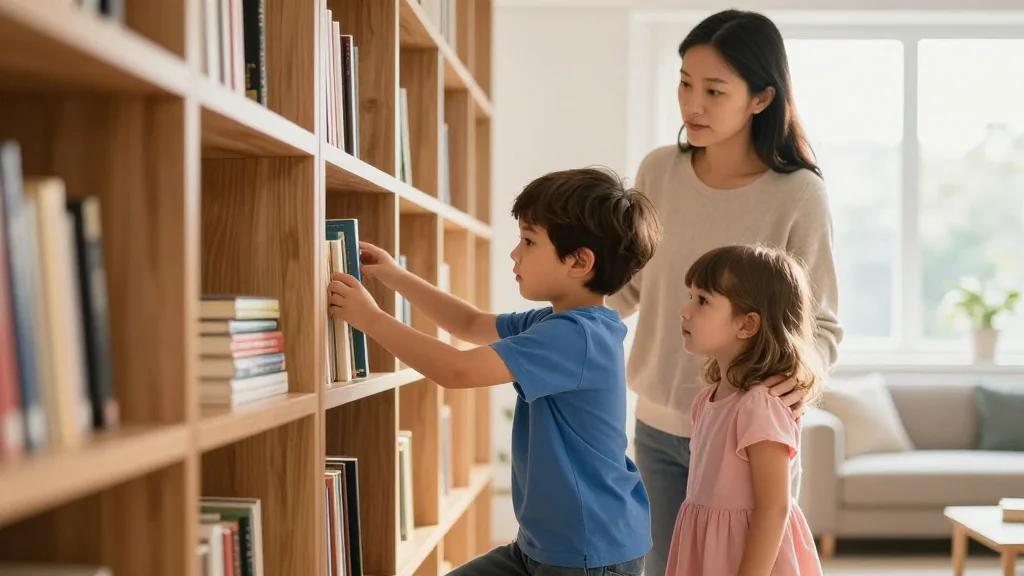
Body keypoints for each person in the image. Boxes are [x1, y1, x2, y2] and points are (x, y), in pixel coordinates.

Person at [329, 167, 661, 575]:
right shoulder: (557, 323)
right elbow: (468, 324)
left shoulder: (576, 337)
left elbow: (456, 370)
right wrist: (395, 276)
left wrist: (370, 318)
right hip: (542, 547)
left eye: (528, 241)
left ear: (579, 261)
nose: (514, 253)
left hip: (589, 554)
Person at [606, 10, 843, 574]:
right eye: (685, 83)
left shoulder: (799, 193)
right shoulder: (658, 171)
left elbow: (822, 326)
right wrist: (555, 324)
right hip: (658, 427)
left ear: (761, 98)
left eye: (714, 90)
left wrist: (788, 388)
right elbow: (628, 287)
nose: (694, 105)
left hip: (750, 439)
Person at [666, 244, 824, 576]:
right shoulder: (707, 400)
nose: (685, 310)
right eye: (690, 296)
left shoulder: (759, 406)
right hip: (710, 550)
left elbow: (774, 508)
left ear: (747, 325)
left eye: (703, 300)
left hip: (751, 559)